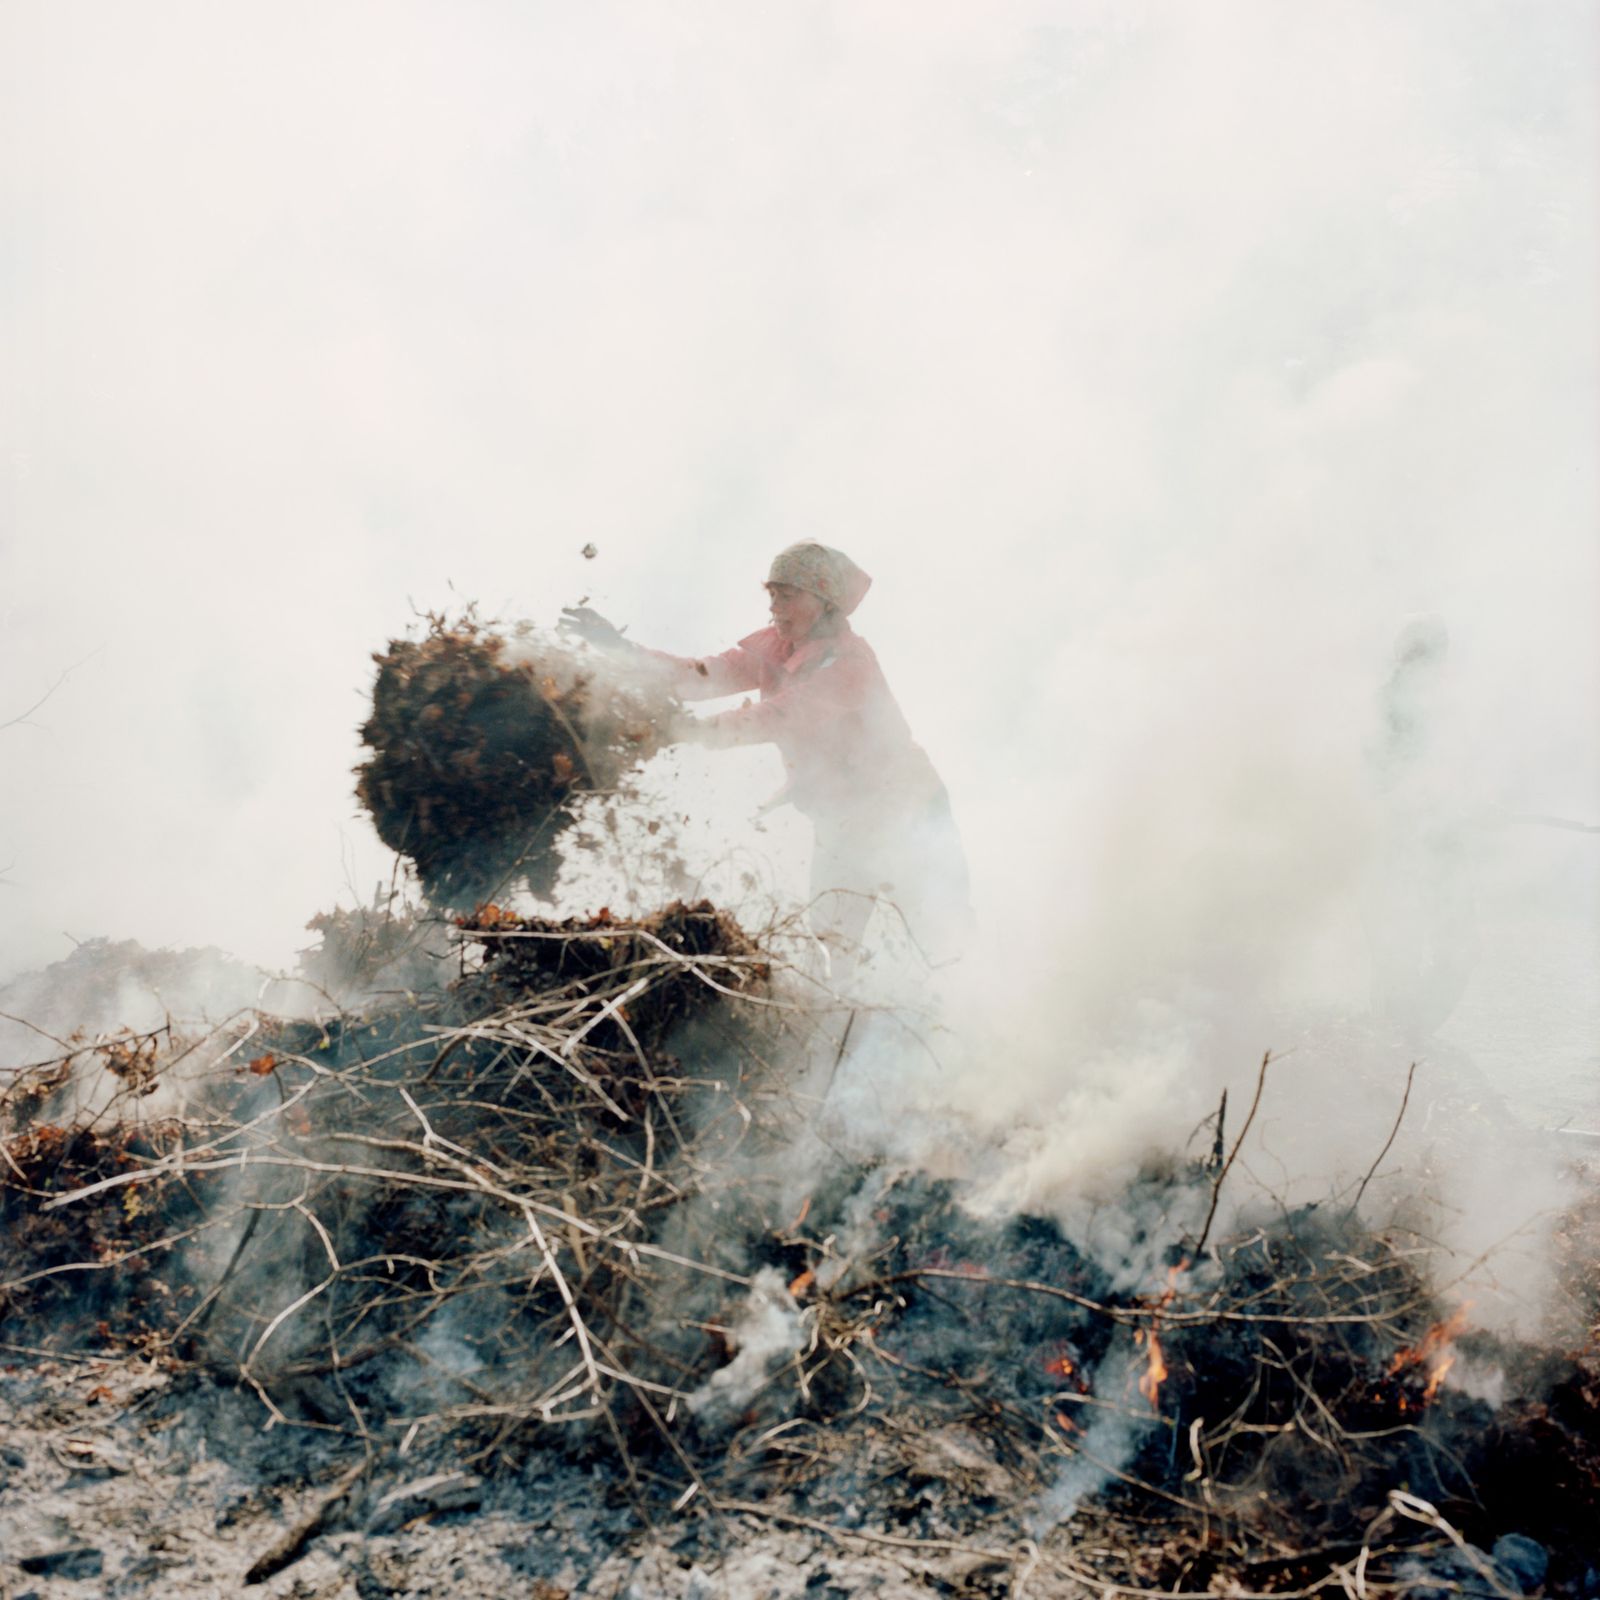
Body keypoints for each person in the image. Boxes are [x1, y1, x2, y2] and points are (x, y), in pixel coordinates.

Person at [563, 542, 972, 975]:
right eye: (772, 594)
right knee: (832, 947)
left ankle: (966, 1021)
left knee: (942, 935)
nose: (775, 606)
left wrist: (693, 731)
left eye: (788, 595)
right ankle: (839, 1030)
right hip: (841, 818)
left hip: (906, 812)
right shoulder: (775, 650)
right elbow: (700, 675)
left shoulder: (851, 662)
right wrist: (623, 652)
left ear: (824, 599)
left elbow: (780, 717)